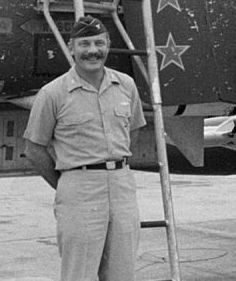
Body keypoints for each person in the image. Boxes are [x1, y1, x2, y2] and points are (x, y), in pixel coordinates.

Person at [23, 16, 147, 281]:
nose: (93, 50)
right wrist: (69, 182)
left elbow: (132, 133)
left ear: (108, 45)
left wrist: (114, 170)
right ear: (71, 47)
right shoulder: (53, 93)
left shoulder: (126, 85)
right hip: (79, 189)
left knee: (122, 272)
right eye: (85, 44)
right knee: (79, 273)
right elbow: (34, 149)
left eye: (99, 43)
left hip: (122, 186)